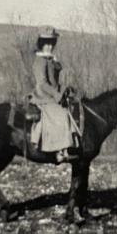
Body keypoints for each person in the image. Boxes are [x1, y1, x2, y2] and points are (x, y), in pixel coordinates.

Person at [31, 26, 76, 162]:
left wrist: (64, 89)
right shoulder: (39, 61)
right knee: (61, 113)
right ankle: (59, 152)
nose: (49, 46)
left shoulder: (50, 59)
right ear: (42, 44)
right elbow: (43, 83)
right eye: (46, 43)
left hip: (53, 94)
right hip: (43, 96)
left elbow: (55, 78)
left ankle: (72, 144)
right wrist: (57, 95)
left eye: (51, 43)